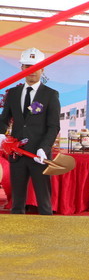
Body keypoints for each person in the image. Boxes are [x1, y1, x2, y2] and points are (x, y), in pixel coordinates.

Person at [0, 48, 60, 215]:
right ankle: (17, 236)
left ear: (43, 69)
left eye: (35, 67)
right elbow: (4, 119)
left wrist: (44, 148)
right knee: (17, 201)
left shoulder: (50, 94)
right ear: (22, 68)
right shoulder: (13, 93)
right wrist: (0, 134)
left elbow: (54, 126)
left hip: (39, 155)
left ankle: (46, 235)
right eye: (27, 66)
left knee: (44, 200)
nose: (31, 70)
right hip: (17, 154)